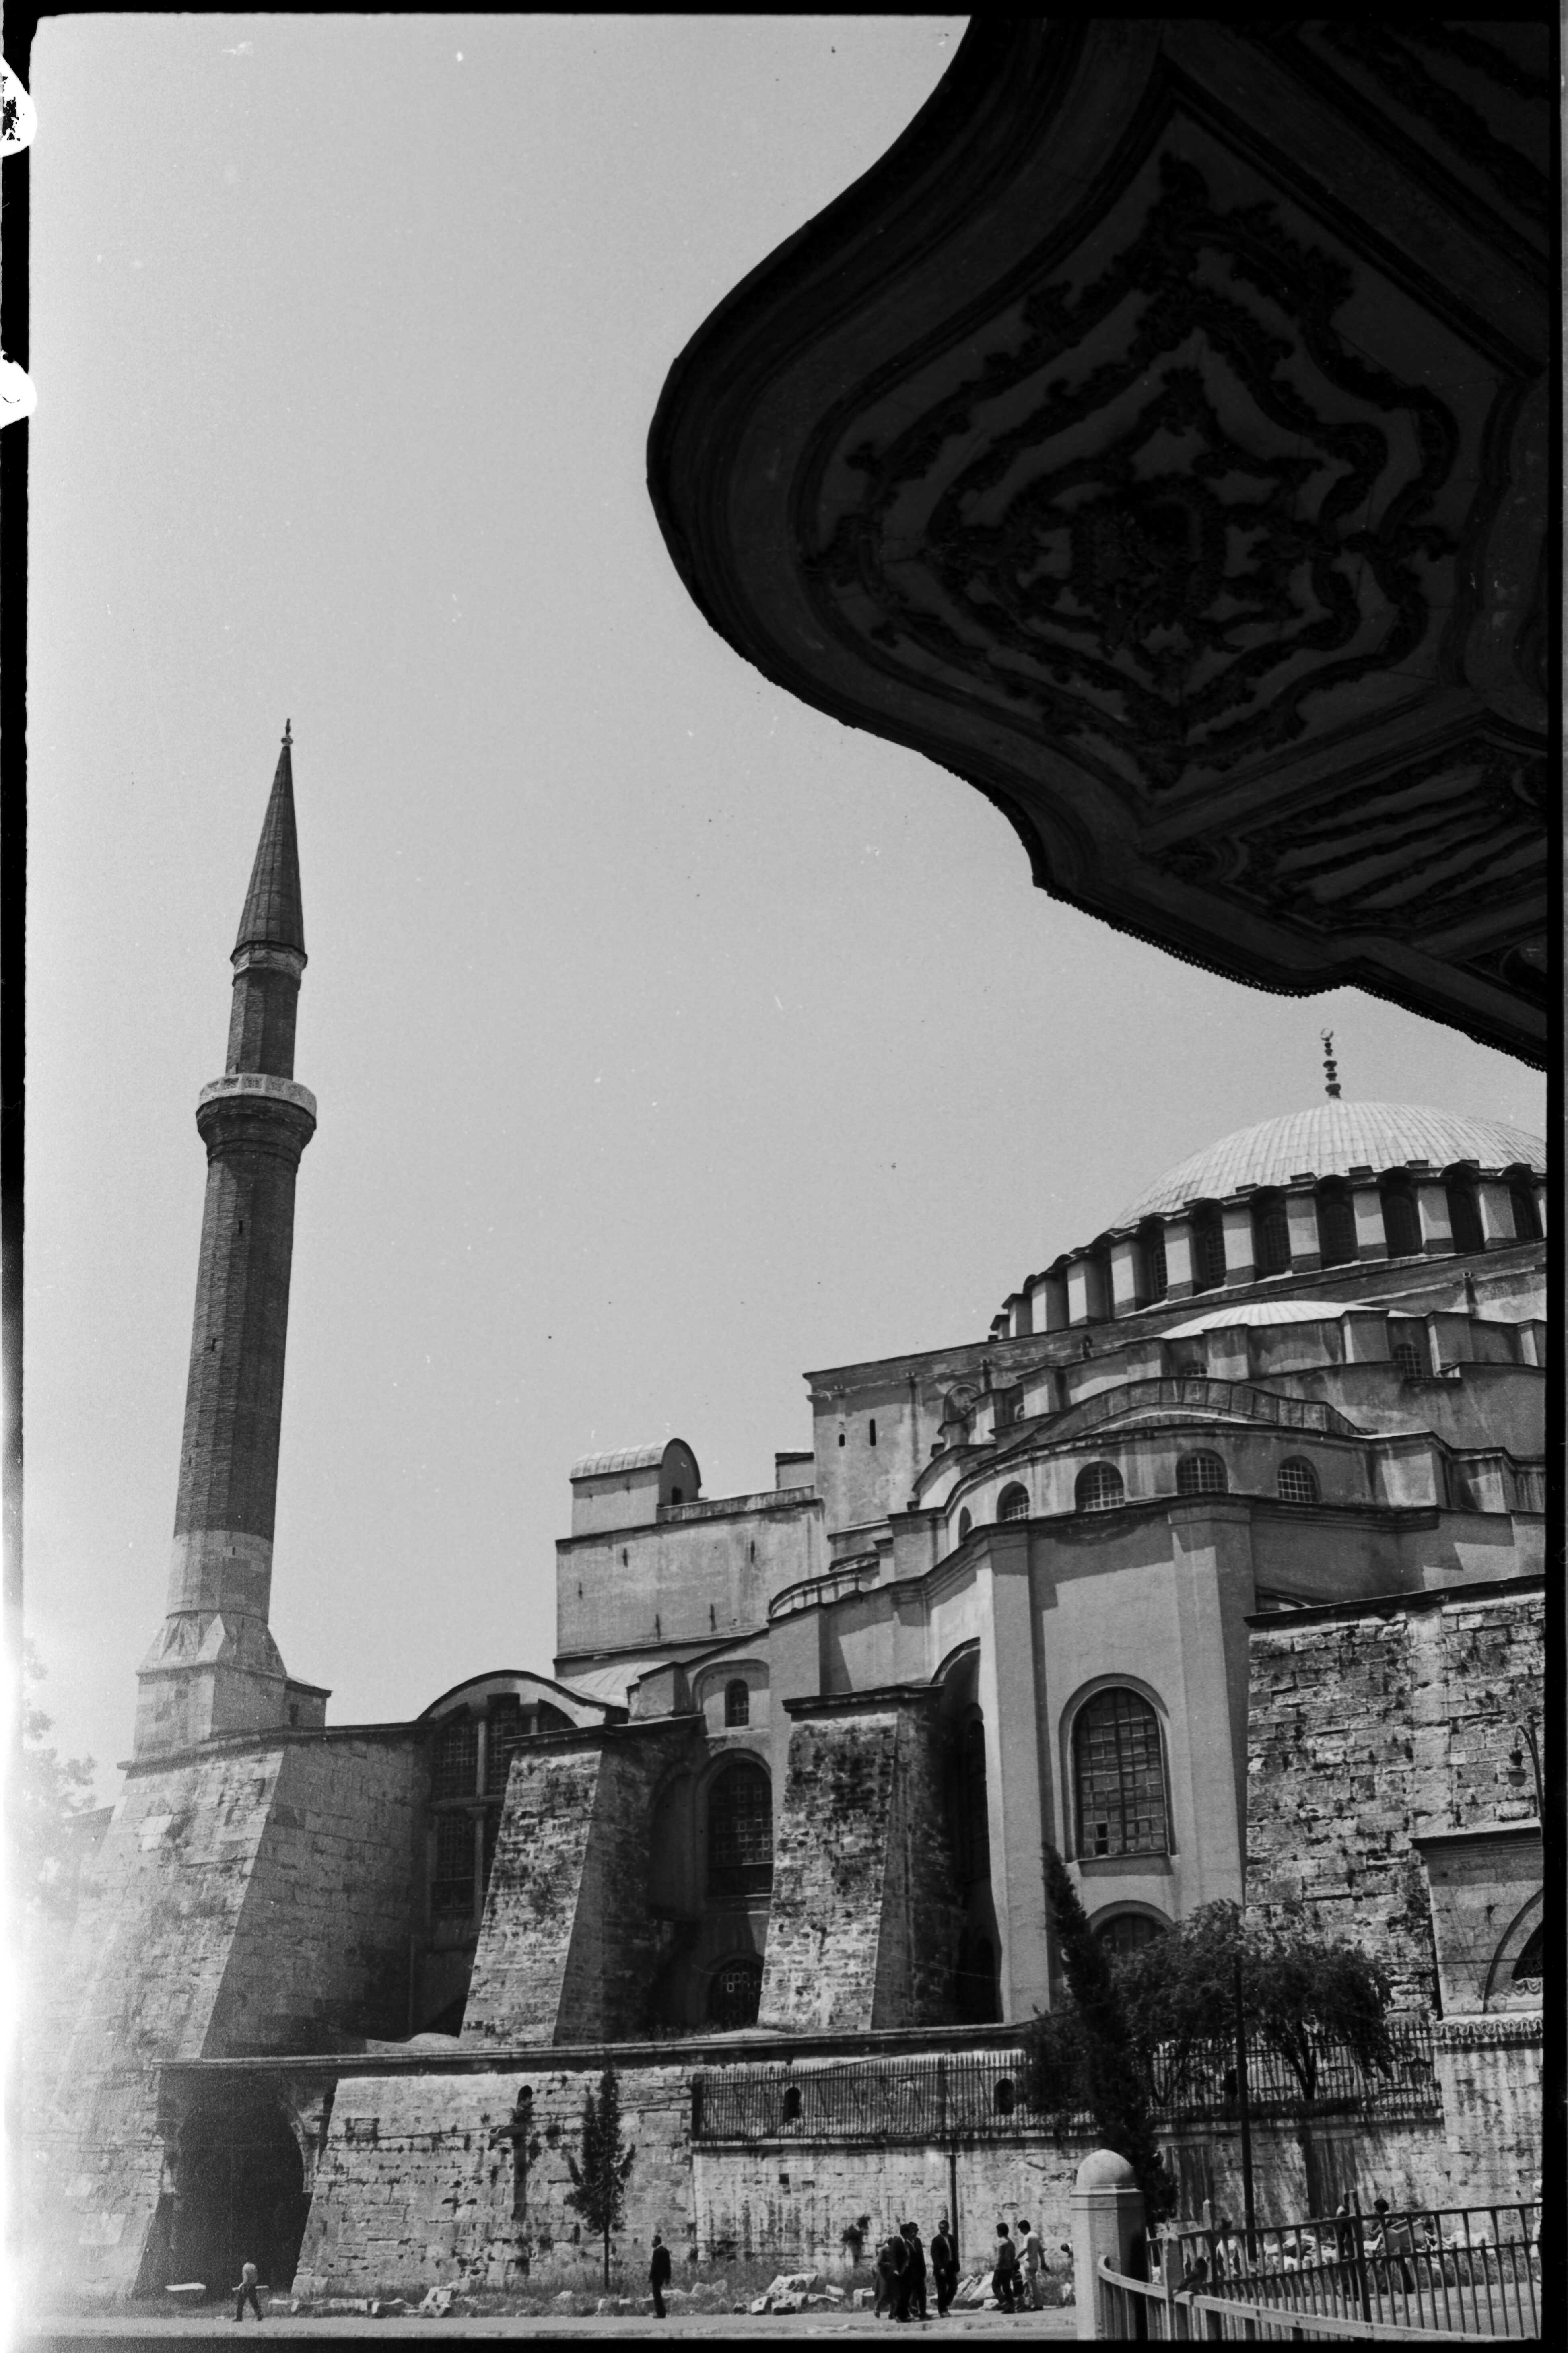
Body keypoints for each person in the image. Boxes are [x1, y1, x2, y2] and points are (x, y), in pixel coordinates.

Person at [874, 2225, 908, 2320]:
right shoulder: (884, 2251)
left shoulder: (896, 2250)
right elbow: (880, 2263)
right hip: (884, 2275)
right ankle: (877, 2308)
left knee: (894, 2294)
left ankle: (892, 2313)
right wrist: (889, 2265)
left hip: (893, 2274)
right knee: (884, 2293)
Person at [929, 2218, 958, 2318]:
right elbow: (935, 2256)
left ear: (948, 2228)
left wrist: (957, 2266)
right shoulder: (936, 2240)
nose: (942, 2230)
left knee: (954, 2287)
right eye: (940, 2228)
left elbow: (955, 2253)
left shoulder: (951, 2238)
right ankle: (942, 2311)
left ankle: (945, 2303)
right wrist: (940, 2268)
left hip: (951, 2267)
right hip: (941, 2269)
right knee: (942, 2290)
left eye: (944, 2228)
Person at [900, 2223, 927, 2322]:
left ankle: (923, 2313)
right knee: (913, 2293)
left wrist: (924, 2270)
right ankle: (914, 2312)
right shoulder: (905, 2243)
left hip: (919, 2272)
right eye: (912, 2231)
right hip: (911, 2273)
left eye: (916, 2231)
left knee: (922, 2292)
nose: (914, 2233)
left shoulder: (918, 2241)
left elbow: (922, 2257)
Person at [991, 2222, 1020, 2313]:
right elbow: (1013, 2256)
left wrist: (997, 2267)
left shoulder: (1001, 2243)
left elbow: (1000, 2257)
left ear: (1000, 2232)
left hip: (1001, 2268)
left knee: (995, 2286)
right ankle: (1012, 2306)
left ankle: (1005, 2305)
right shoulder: (1011, 2243)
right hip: (1009, 2268)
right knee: (1007, 2287)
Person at [1018, 2219, 1044, 2311]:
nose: (1021, 2232)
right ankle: (1030, 2303)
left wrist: (1017, 2258)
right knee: (1031, 2284)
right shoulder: (1036, 2236)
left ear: (1025, 2228)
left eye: (1021, 2230)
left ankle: (1037, 2305)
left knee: (1031, 2285)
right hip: (1035, 2263)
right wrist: (1043, 2262)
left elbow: (1024, 2250)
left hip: (1029, 2263)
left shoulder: (1027, 2237)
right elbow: (1040, 2250)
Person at [649, 2231, 671, 2320]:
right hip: (663, 2277)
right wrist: (668, 2277)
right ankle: (662, 2312)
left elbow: (654, 2266)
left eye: (653, 2241)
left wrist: (650, 2277)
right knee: (658, 2293)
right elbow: (668, 2265)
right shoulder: (666, 2251)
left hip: (656, 2277)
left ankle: (661, 2313)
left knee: (656, 2294)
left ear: (657, 2242)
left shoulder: (657, 2251)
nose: (652, 2243)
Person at [232, 2258, 262, 2323]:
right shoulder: (254, 2267)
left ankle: (239, 2317)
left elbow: (246, 2279)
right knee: (254, 2302)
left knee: (241, 2302)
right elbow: (256, 2277)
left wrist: (242, 2285)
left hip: (246, 2287)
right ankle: (259, 2315)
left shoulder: (245, 2268)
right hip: (253, 2286)